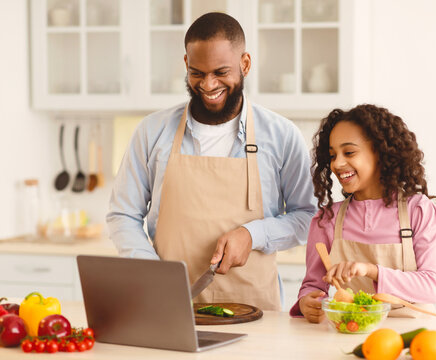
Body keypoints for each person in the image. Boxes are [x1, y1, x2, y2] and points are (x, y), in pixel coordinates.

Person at [107, 12, 316, 311]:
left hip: (255, 311)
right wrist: (153, 274)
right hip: (170, 306)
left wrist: (253, 234)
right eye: (197, 73)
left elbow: (308, 217)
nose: (208, 84)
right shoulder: (152, 131)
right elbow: (122, 215)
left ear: (245, 64)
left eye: (221, 72)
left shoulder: (282, 135)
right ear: (185, 64)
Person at [289, 104, 436, 322]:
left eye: (349, 152)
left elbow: (433, 286)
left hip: (414, 336)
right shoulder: (327, 220)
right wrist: (307, 302)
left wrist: (371, 271)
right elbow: (314, 285)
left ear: (380, 152)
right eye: (333, 155)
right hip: (353, 331)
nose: (338, 163)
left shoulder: (417, 210)